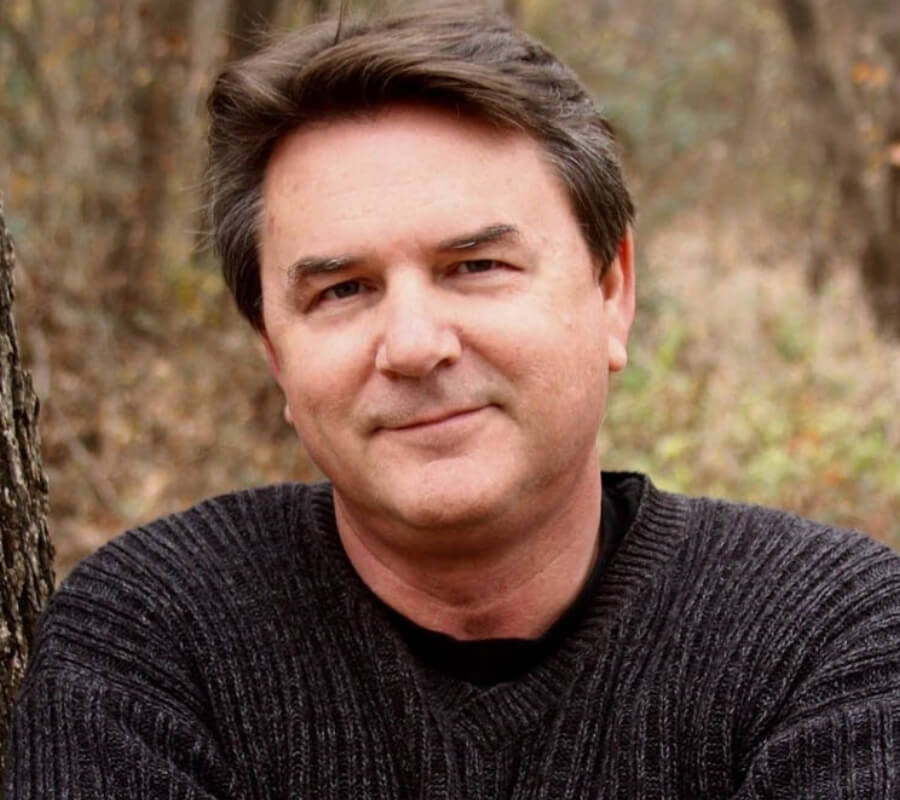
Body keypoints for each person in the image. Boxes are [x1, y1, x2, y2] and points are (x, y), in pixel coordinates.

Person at [7, 5, 900, 798]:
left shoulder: (830, 637)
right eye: (342, 291)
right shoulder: (156, 643)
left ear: (611, 290)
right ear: (275, 354)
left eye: (476, 266)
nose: (413, 345)